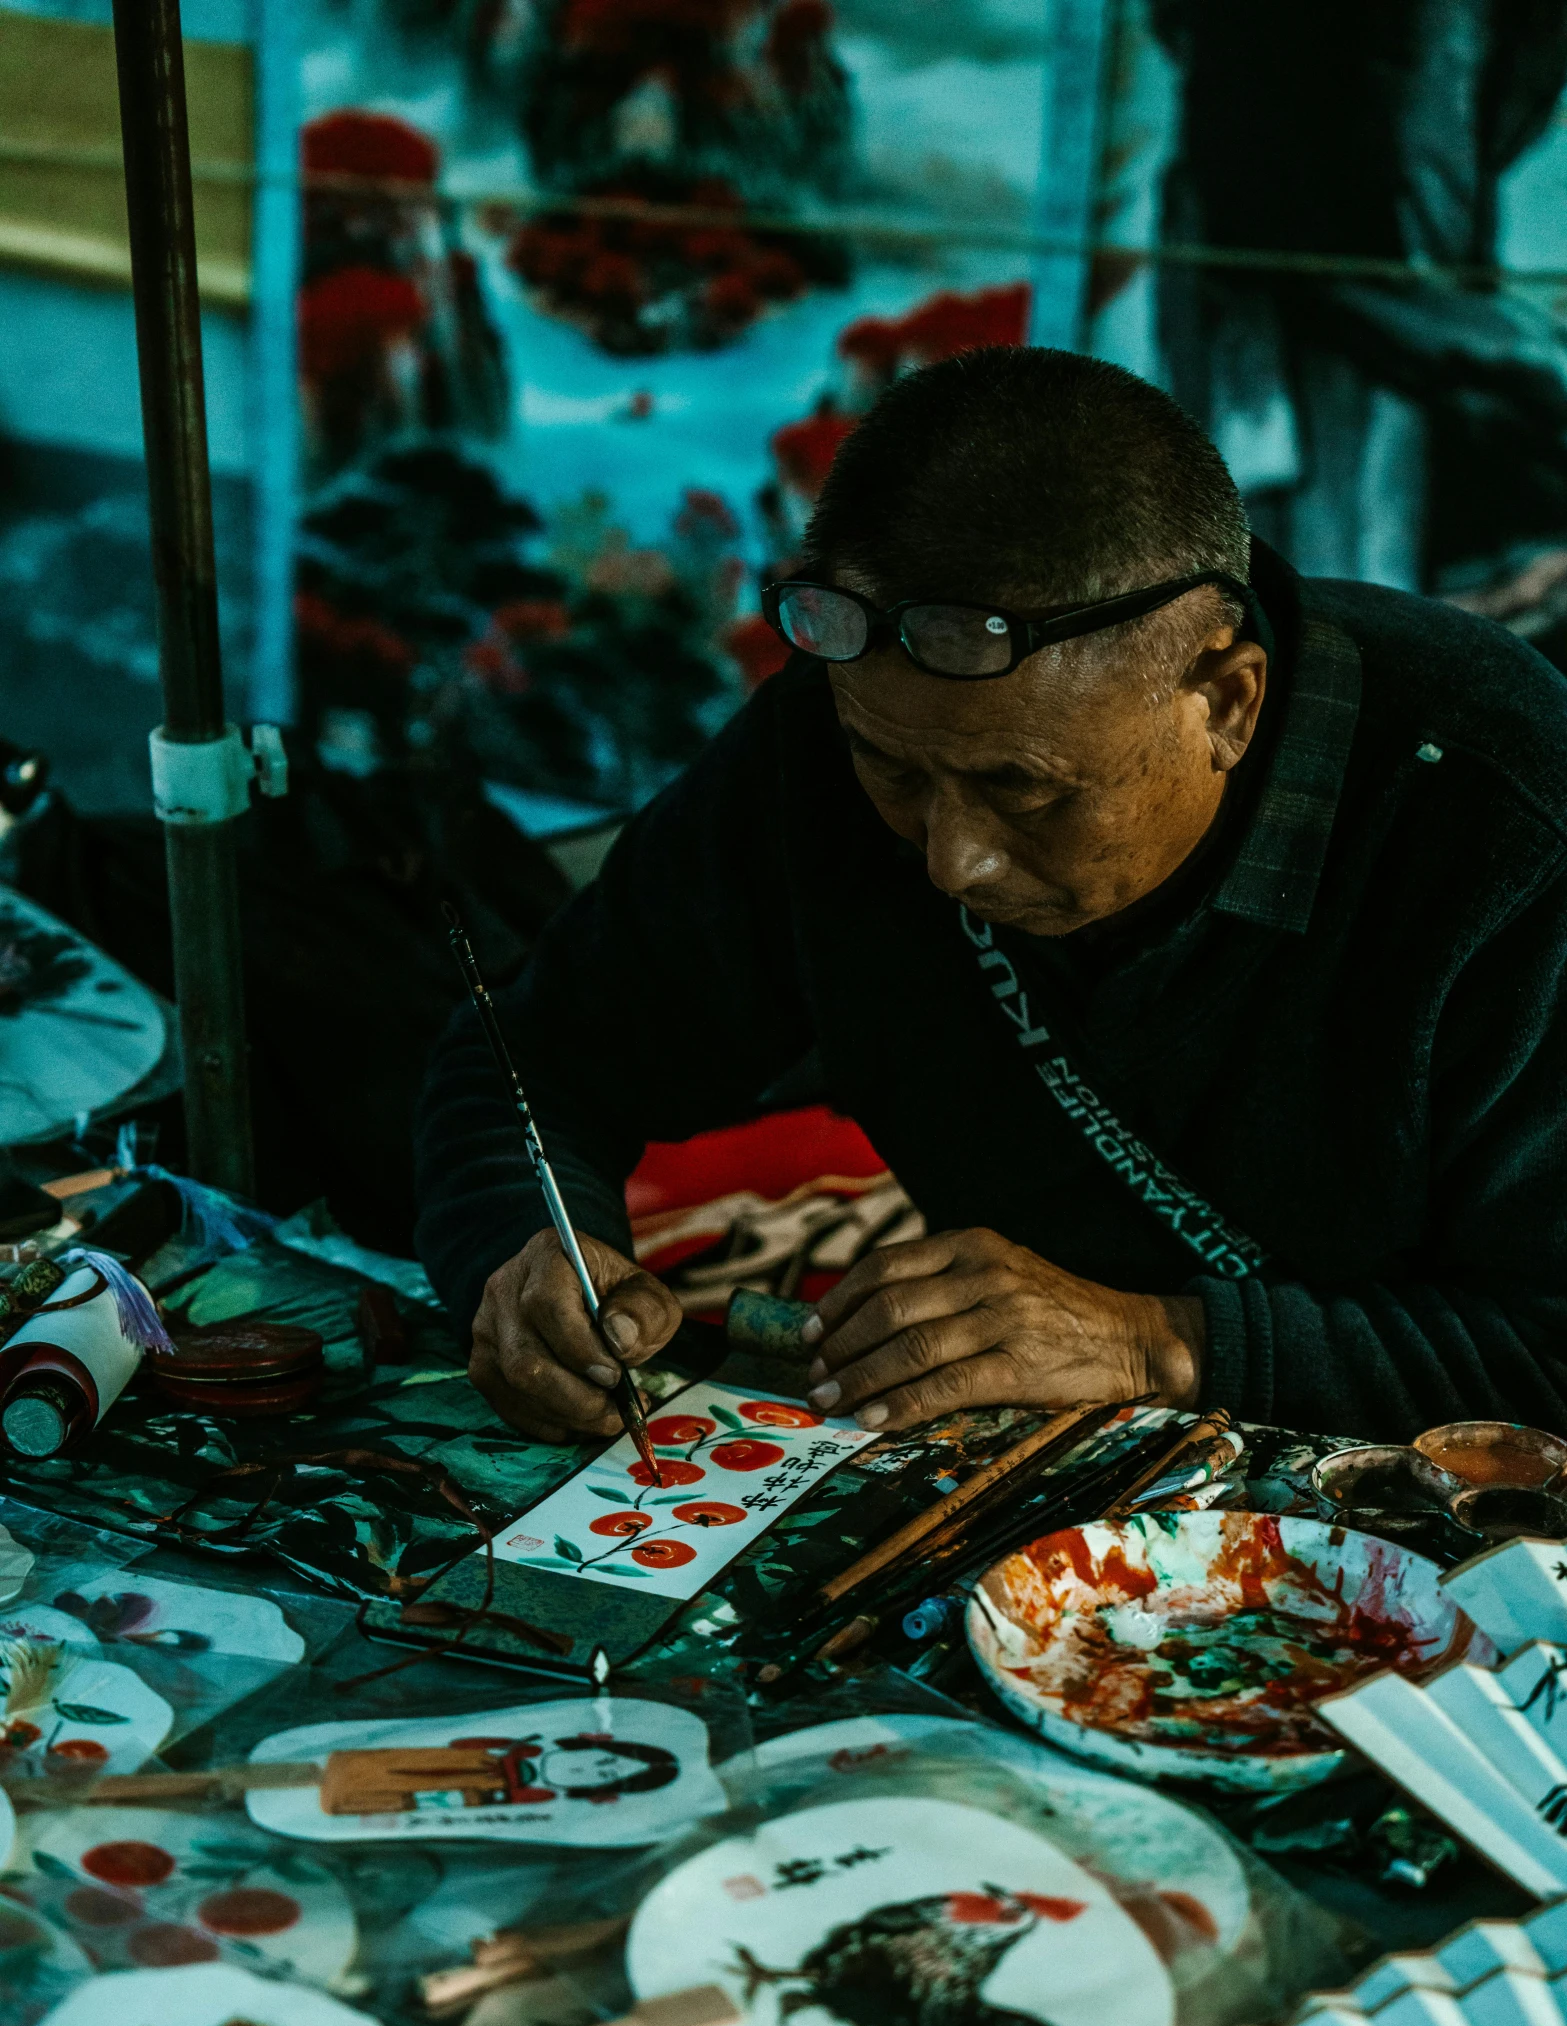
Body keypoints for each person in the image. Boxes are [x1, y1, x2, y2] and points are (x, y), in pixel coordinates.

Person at [414, 345, 1567, 1444]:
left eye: (1022, 788)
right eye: (895, 774)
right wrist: (528, 1249)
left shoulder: (1505, 832)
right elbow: (530, 1061)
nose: (949, 861)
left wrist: (1161, 1344)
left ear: (1224, 701)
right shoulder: (835, 735)